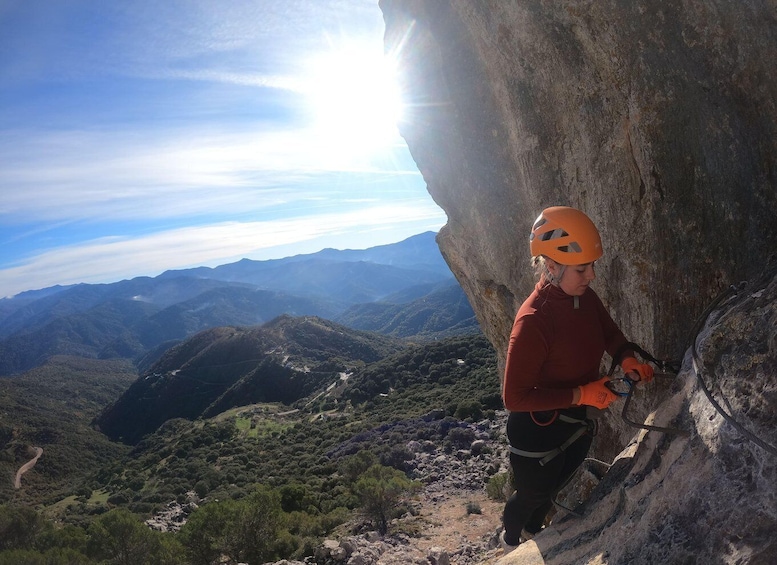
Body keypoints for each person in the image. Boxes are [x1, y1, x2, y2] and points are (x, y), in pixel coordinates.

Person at [499, 206, 654, 553]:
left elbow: (610, 334)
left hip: (575, 424)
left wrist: (626, 358)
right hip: (536, 433)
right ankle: (511, 542)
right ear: (551, 266)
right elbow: (515, 397)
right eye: (582, 268)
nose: (592, 276)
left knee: (554, 487)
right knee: (533, 493)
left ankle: (534, 530)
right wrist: (581, 393)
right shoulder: (534, 320)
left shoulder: (583, 297)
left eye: (592, 266)